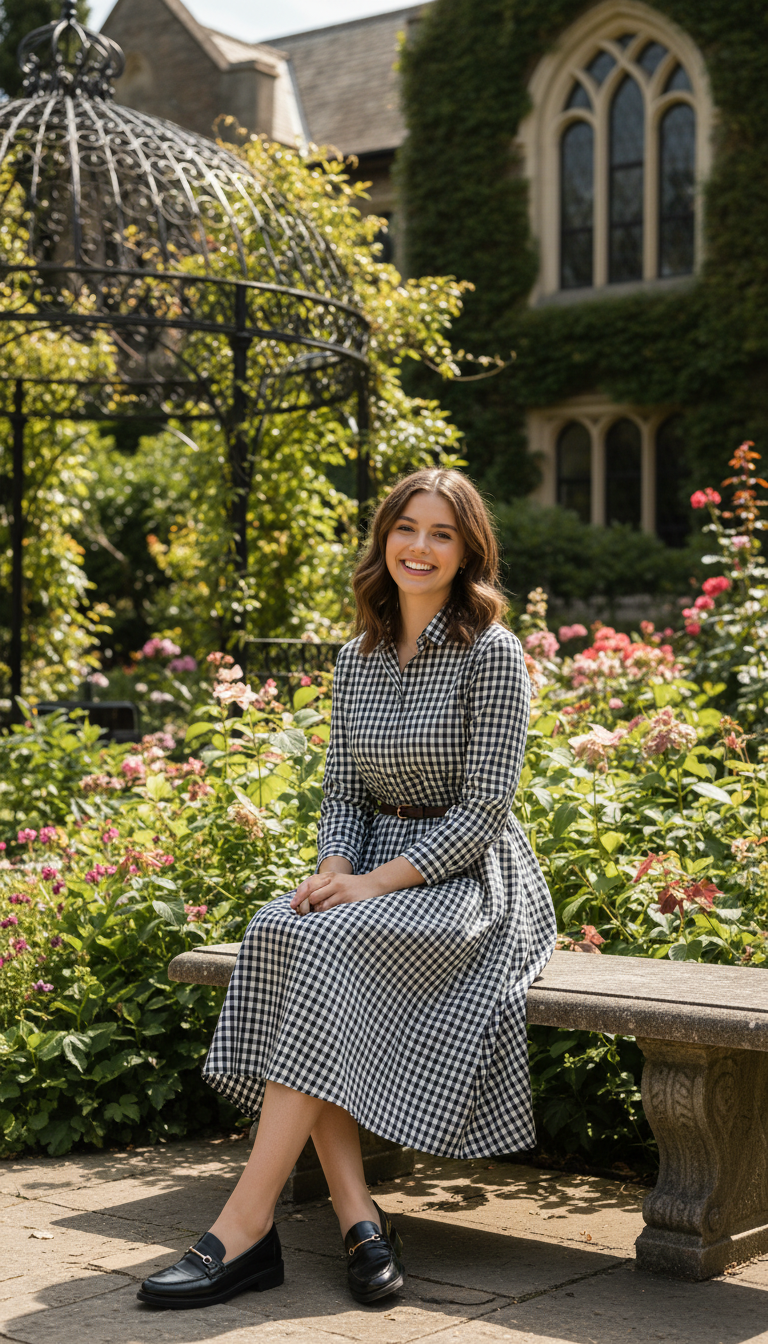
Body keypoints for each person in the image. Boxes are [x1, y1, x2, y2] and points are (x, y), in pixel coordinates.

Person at [137, 468, 556, 1312]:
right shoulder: (357, 657)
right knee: (282, 927)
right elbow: (343, 795)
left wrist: (371, 885)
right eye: (408, 528)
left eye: (443, 533)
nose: (421, 547)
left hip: (467, 879)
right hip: (370, 869)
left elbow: (482, 811)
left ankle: (241, 1230)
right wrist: (335, 869)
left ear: (469, 549)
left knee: (324, 944)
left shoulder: (492, 652)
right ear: (384, 538)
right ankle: (358, 1218)